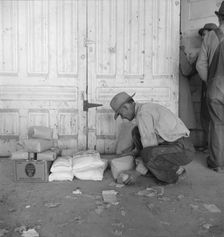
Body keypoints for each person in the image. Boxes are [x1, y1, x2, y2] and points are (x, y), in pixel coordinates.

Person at [110, 92, 195, 185]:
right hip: (177, 145)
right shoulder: (144, 108)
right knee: (136, 132)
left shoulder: (143, 114)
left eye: (121, 114)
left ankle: (174, 174)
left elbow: (149, 148)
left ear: (126, 107)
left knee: (147, 153)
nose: (122, 117)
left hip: (183, 150)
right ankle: (153, 167)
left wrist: (137, 173)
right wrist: (132, 153)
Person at [196, 1, 224, 172]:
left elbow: (200, 65)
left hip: (215, 88)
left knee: (217, 126)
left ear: (219, 17)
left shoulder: (210, 36)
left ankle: (218, 163)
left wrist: (210, 82)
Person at [198, 23, 218, 150]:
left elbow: (200, 66)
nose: (203, 38)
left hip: (211, 84)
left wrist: (208, 82)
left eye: (205, 34)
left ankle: (211, 148)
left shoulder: (209, 42)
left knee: (211, 119)